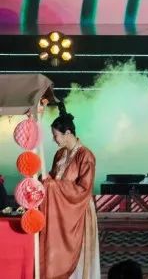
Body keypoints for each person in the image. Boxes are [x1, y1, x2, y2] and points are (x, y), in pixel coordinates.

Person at [42, 102, 99, 279]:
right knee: (56, 252)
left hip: (78, 211)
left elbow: (84, 188)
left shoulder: (85, 155)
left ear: (67, 133)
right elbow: (52, 179)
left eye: (56, 136)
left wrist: (54, 185)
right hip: (60, 211)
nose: (54, 139)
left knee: (77, 255)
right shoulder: (60, 154)